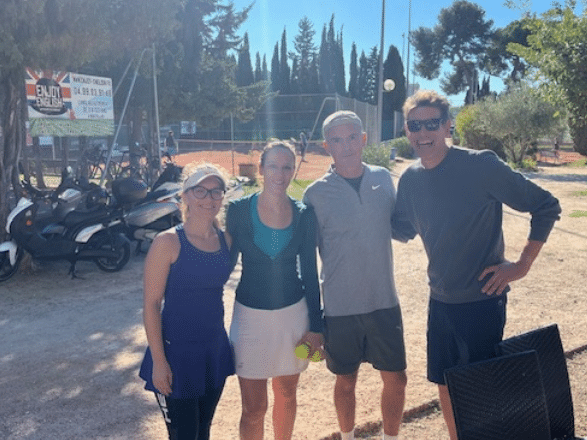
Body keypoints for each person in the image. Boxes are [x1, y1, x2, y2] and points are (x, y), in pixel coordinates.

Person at [391, 90, 562, 440]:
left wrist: (522, 265)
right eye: (415, 125)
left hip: (482, 301)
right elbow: (399, 228)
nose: (423, 133)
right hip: (439, 301)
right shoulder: (410, 180)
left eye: (431, 124)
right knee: (445, 383)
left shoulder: (480, 165)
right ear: (407, 131)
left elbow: (545, 206)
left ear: (447, 125)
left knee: (482, 391)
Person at [303, 111, 407, 440]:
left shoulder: (384, 179)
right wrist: (313, 323)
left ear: (363, 140)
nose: (345, 145)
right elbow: (306, 261)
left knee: (397, 379)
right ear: (326, 146)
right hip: (340, 309)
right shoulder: (314, 195)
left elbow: (404, 226)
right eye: (336, 139)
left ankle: (392, 437)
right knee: (346, 382)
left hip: (383, 301)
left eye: (351, 137)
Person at [225, 140, 324, 440]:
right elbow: (224, 266)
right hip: (249, 319)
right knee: (253, 409)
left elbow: (309, 271)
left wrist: (317, 327)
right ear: (261, 169)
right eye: (273, 167)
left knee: (286, 394)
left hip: (293, 318)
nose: (280, 175)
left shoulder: (305, 213)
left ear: (293, 170)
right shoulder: (238, 210)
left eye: (287, 167)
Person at [138, 162, 235, 440]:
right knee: (183, 435)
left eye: (216, 191)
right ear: (186, 196)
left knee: (203, 431)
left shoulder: (225, 240)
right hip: (175, 356)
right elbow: (151, 304)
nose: (209, 198)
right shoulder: (167, 242)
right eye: (200, 191)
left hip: (213, 351)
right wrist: (159, 361)